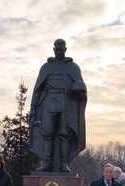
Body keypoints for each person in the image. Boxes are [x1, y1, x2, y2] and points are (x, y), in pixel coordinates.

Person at [28, 38, 87, 173]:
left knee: (64, 133)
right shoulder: (46, 67)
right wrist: (33, 108)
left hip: (66, 102)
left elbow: (80, 85)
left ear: (65, 50)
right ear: (53, 50)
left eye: (61, 50)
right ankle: (47, 162)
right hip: (50, 100)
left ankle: (64, 163)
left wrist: (80, 91)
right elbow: (38, 89)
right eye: (57, 50)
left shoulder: (73, 67)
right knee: (47, 132)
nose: (59, 52)